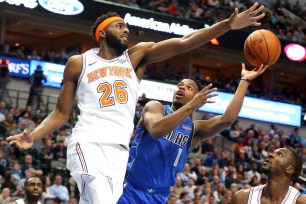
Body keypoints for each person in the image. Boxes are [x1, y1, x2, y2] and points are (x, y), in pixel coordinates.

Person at [7, 3, 265, 203]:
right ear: (102, 33)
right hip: (88, 141)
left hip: (119, 151)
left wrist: (227, 25)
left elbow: (185, 43)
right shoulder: (79, 63)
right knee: (101, 197)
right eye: (119, 26)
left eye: (126, 26)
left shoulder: (135, 57)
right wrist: (35, 136)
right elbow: (61, 113)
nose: (126, 29)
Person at [117, 63, 268, 204]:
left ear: (197, 97)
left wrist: (245, 80)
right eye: (179, 85)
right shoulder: (156, 108)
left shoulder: (195, 130)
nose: (181, 88)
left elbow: (227, 120)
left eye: (189, 87)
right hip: (129, 188)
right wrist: (191, 106)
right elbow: (156, 130)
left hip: (159, 196)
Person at [231, 148, 306, 204]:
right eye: (273, 152)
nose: (270, 155)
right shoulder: (242, 197)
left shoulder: (300, 201)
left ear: (289, 169)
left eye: (280, 154)